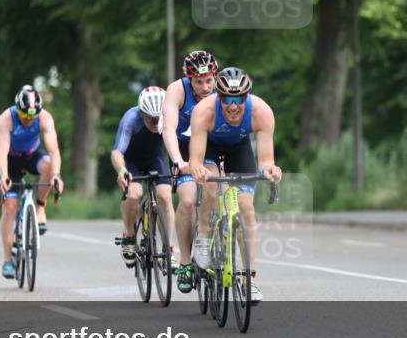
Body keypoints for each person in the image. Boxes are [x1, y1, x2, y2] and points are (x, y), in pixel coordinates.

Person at [188, 66, 282, 304]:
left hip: (239, 150)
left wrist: (269, 170)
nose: (233, 106)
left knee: (245, 208)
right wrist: (198, 169)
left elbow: (265, 160)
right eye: (227, 99)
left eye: (239, 99)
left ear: (246, 97)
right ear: (218, 98)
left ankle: (248, 280)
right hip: (210, 148)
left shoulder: (261, 112)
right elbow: (195, 160)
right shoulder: (203, 112)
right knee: (209, 186)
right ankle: (203, 234)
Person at [162, 50, 219, 293]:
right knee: (186, 200)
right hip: (184, 146)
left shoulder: (221, 89)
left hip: (212, 145)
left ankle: (211, 238)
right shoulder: (177, 90)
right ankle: (185, 261)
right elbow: (168, 127)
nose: (205, 87)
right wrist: (176, 159)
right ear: (189, 79)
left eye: (209, 80)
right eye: (199, 81)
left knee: (214, 191)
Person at [0, 85, 65, 279]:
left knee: (49, 166)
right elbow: (1, 153)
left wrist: (56, 176)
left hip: (33, 155)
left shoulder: (44, 118)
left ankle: (40, 208)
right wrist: (3, 176)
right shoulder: (6, 118)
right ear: (18, 109)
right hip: (10, 161)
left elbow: (54, 151)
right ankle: (8, 259)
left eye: (31, 117)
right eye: (24, 116)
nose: (27, 120)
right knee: (10, 207)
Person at [110, 86, 174, 267]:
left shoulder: (170, 116)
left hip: (155, 159)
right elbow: (117, 152)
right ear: (142, 113)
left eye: (158, 119)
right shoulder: (131, 118)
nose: (155, 124)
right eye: (150, 119)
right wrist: (122, 170)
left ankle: (168, 249)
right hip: (132, 162)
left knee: (165, 196)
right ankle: (129, 236)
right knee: (134, 194)